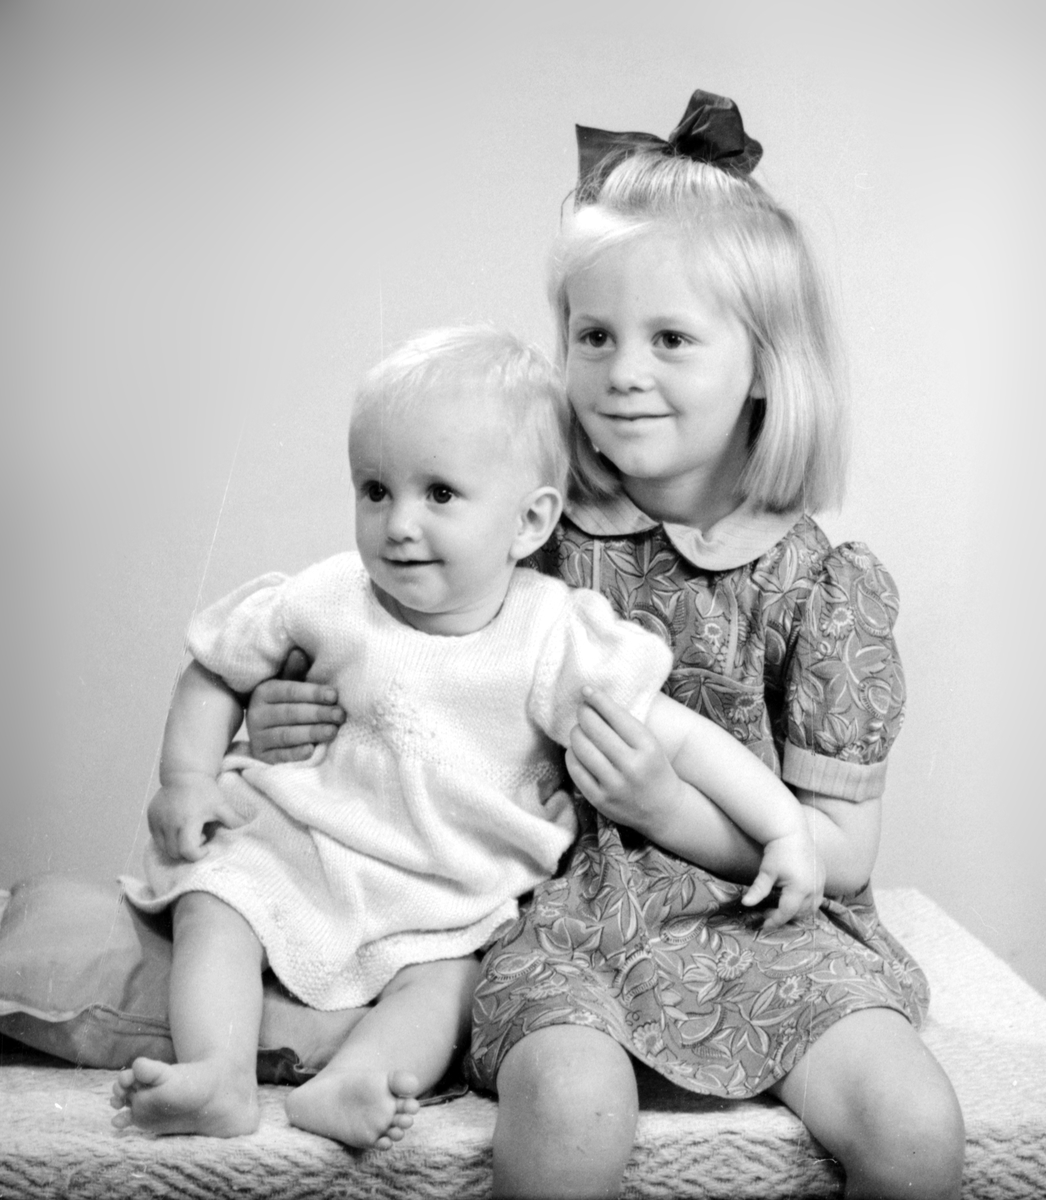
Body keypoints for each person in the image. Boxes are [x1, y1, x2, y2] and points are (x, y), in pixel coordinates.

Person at [247, 92, 965, 1198]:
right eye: (594, 336)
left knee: (914, 1127)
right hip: (550, 913)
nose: (622, 371)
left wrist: (666, 811)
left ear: (763, 366)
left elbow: (838, 853)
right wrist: (287, 712)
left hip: (768, 920)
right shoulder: (524, 532)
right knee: (572, 1108)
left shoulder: (822, 586)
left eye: (670, 339)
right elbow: (386, 661)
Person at [111, 325, 824, 1152]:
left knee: (450, 984)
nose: (399, 524)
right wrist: (187, 778)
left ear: (529, 521)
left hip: (443, 888)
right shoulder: (330, 595)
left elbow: (683, 738)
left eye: (440, 495)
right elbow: (215, 669)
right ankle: (217, 1074)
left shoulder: (550, 634)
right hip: (299, 845)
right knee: (215, 899)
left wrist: (784, 826)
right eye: (375, 490)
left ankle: (358, 1079)